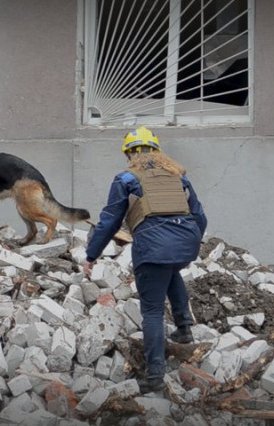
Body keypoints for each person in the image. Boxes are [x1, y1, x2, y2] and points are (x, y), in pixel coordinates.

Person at [82, 126, 207, 393]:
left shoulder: (127, 178)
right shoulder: (178, 176)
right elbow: (200, 215)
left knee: (151, 310)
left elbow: (109, 221)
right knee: (171, 271)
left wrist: (91, 255)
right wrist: (191, 240)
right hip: (187, 241)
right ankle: (184, 327)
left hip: (154, 246)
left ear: (129, 154)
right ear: (157, 150)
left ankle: (155, 375)